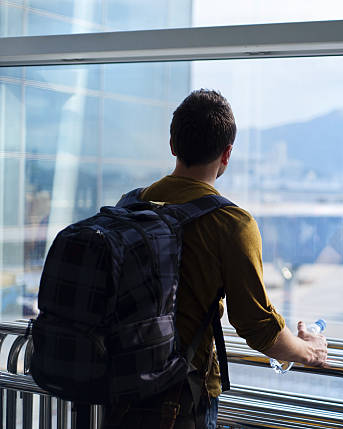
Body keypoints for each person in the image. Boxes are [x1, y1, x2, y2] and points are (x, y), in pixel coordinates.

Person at [102, 89, 328, 428]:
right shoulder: (231, 223)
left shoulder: (130, 204)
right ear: (227, 154)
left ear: (173, 145)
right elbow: (257, 326)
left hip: (118, 387)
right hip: (181, 399)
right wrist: (310, 350)